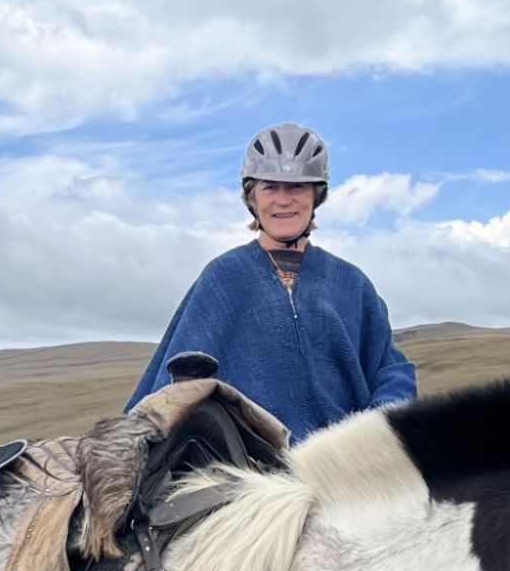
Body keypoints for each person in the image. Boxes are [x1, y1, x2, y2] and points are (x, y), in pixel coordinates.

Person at [129, 123, 415, 431]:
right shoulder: (222, 278)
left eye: (296, 187)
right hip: (250, 468)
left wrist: (378, 429)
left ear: (317, 196)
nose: (283, 199)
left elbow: (389, 370)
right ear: (252, 198)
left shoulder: (352, 284)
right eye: (270, 187)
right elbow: (173, 385)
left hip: (343, 465)